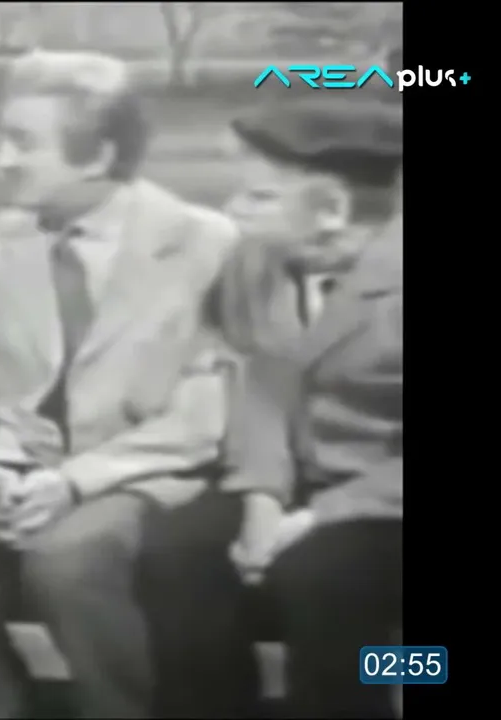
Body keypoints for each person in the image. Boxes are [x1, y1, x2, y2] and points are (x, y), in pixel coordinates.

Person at [0, 50, 255, 718]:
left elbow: (210, 404)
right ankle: (0, 704)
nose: (2, 161)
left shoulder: (206, 244)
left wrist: (76, 482)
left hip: (139, 470)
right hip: (14, 469)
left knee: (69, 557)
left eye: (23, 143)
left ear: (98, 155)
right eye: (3, 139)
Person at [213, 96, 403, 718]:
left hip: (381, 498)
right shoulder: (256, 261)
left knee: (323, 582)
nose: (233, 211)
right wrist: (261, 499)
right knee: (170, 557)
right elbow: (260, 386)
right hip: (296, 484)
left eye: (259, 197)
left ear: (332, 211)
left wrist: (318, 517)